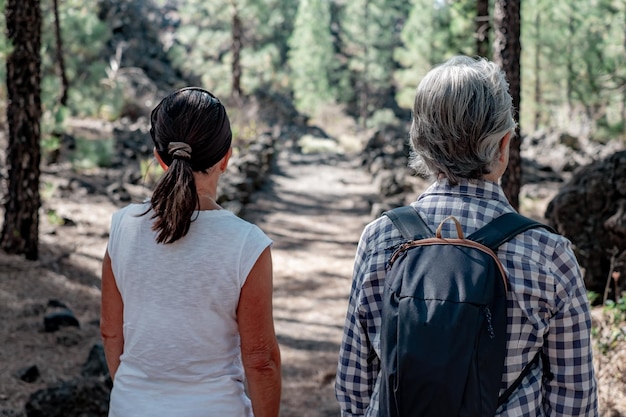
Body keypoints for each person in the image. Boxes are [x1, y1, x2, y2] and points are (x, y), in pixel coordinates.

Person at [335, 56, 598, 417]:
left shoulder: (381, 239)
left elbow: (354, 385)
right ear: (505, 145)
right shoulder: (549, 254)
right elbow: (575, 397)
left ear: (419, 143)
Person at [100, 87, 281, 417]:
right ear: (226, 157)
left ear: (159, 157)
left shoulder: (123, 227)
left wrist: (135, 395)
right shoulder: (247, 244)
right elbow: (260, 359)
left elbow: (111, 332)